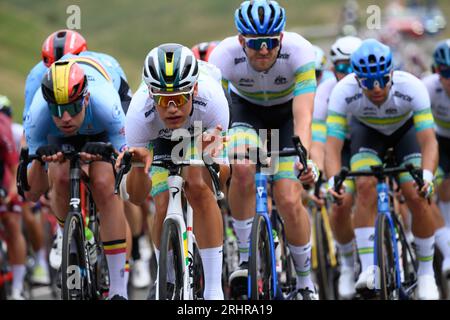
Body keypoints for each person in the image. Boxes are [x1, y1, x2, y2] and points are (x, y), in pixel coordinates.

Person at [209, 0, 319, 300]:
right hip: (245, 113)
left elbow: (304, 116)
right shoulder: (222, 55)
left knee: (287, 197)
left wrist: (303, 155)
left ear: (280, 38)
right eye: (256, 44)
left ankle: (305, 282)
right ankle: (246, 257)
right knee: (242, 167)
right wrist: (215, 151)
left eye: (271, 42)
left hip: (286, 116)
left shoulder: (300, 51)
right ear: (241, 40)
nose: (264, 50)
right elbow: (216, 114)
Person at [326, 39, 439, 300]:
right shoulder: (343, 91)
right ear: (357, 79)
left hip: (405, 133)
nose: (376, 88)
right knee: (364, 186)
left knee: (416, 194)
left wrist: (428, 176)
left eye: (381, 80)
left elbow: (428, 141)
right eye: (367, 82)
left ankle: (425, 273)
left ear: (391, 73)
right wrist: (334, 181)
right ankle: (368, 270)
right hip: (368, 133)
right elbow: (332, 146)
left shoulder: (412, 86)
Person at [119, 43, 229, 300]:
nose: (171, 108)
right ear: (150, 94)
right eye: (162, 100)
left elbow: (223, 178)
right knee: (162, 199)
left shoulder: (212, 99)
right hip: (157, 140)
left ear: (195, 90)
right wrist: (137, 167)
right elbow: (135, 197)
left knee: (198, 185)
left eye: (179, 98)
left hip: (201, 130)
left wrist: (207, 160)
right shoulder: (138, 113)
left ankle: (214, 289)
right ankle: (164, 281)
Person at [23, 58, 129, 300]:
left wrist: (109, 157)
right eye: (58, 111)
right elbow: (31, 193)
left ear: (86, 99)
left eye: (72, 107)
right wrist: (39, 161)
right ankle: (69, 241)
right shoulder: (38, 114)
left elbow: (126, 165)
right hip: (60, 137)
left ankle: (118, 290)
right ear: (49, 106)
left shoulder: (106, 105)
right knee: (58, 176)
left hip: (101, 125)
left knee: (104, 184)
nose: (66, 117)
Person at [310, 36, 362, 299]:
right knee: (340, 204)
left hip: (371, 145)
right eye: (342, 67)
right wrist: (320, 176)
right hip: (339, 149)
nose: (348, 73)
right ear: (333, 69)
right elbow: (319, 142)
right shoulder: (326, 92)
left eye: (354, 66)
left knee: (376, 187)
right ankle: (348, 264)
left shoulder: (373, 85)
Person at [24, 29, 132, 117]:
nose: (61, 72)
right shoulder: (36, 75)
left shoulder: (108, 62)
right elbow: (29, 117)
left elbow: (126, 100)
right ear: (47, 65)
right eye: (55, 66)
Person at [422, 39, 450, 278]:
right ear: (436, 71)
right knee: (437, 186)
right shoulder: (428, 87)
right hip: (439, 141)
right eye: (446, 73)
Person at [0, 96, 26, 299]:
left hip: (5, 171)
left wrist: (11, 193)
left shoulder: (5, 131)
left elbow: (14, 166)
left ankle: (17, 287)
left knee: (11, 220)